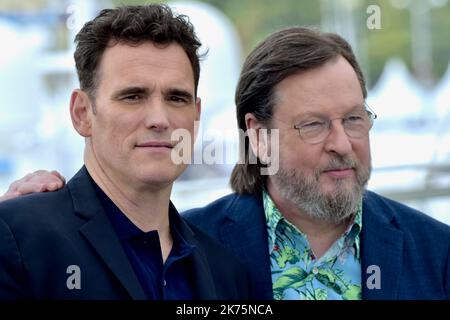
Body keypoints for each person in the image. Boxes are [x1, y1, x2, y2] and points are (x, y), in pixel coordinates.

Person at [3, 27, 450, 300]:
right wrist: (33, 215)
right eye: (313, 125)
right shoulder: (195, 249)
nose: (342, 143)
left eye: (354, 119)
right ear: (258, 135)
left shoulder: (438, 252)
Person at [0, 4, 250, 299]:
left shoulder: (226, 273)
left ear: (196, 117)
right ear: (82, 113)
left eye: (176, 98)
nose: (160, 119)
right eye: (133, 96)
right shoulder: (19, 240)